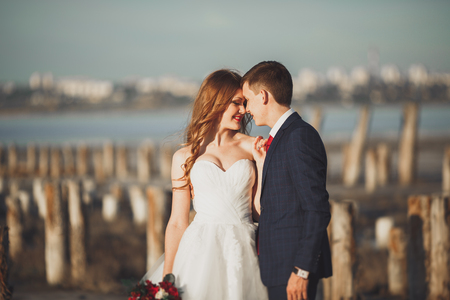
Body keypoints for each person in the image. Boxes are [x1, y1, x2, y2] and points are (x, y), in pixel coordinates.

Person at [142, 69, 268, 300]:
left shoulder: (253, 147)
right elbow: (178, 222)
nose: (243, 110)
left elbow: (258, 213)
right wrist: (168, 277)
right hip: (199, 251)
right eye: (236, 103)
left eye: (244, 103)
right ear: (216, 103)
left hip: (243, 250)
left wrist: (260, 165)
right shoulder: (184, 156)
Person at [242, 61, 332, 300]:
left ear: (263, 96)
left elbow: (317, 209)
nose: (246, 109)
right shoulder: (282, 137)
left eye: (247, 100)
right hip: (279, 268)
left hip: (293, 269)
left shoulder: (298, 137)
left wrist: (301, 270)